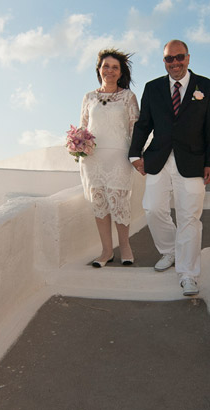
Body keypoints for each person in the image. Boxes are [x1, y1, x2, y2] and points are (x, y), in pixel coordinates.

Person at [129, 39, 210, 296]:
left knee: (189, 217)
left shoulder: (208, 87)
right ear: (164, 61)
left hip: (193, 160)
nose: (175, 63)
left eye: (179, 57)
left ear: (188, 58)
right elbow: (143, 124)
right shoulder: (153, 87)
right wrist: (135, 154)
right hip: (158, 158)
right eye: (169, 59)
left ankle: (188, 274)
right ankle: (170, 251)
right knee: (152, 208)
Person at [79, 48, 140, 267]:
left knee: (119, 202)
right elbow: (83, 127)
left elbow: (135, 128)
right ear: (99, 69)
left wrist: (136, 156)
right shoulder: (89, 97)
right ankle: (106, 252)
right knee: (100, 204)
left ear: (121, 72)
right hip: (93, 159)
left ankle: (125, 248)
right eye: (106, 66)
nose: (110, 71)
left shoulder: (128, 97)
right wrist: (77, 144)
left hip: (119, 158)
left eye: (115, 67)